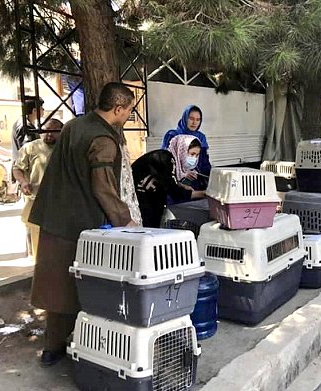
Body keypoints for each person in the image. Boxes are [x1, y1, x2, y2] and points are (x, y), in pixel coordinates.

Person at [28, 82, 141, 366]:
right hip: (80, 224)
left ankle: (51, 348)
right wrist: (125, 220)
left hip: (54, 216)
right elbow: (104, 188)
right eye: (128, 111)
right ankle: (88, 349)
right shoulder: (103, 139)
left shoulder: (74, 126)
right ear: (118, 108)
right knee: (83, 287)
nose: (128, 116)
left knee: (56, 289)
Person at [12, 119, 63, 259]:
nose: (48, 135)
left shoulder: (65, 148)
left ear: (61, 132)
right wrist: (23, 182)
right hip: (36, 198)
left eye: (53, 132)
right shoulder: (31, 148)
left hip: (60, 200)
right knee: (35, 233)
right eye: (46, 131)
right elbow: (17, 169)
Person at [132, 142, 205, 228]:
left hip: (149, 199)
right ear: (182, 150)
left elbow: (165, 179)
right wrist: (204, 193)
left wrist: (180, 185)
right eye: (192, 154)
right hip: (142, 201)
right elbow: (175, 192)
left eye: (197, 155)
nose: (194, 158)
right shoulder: (164, 159)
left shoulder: (168, 158)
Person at [161, 105, 211, 188]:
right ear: (185, 118)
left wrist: (204, 175)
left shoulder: (201, 138)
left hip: (196, 181)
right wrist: (182, 173)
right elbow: (165, 161)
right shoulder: (172, 135)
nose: (194, 122)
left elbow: (204, 162)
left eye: (198, 120)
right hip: (176, 182)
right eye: (191, 118)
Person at [12, 97, 44, 161]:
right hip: (24, 167)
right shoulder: (25, 126)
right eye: (41, 108)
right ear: (34, 110)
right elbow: (27, 150)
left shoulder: (26, 123)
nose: (43, 110)